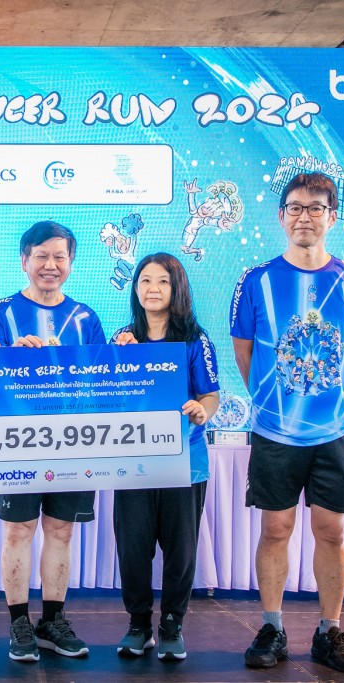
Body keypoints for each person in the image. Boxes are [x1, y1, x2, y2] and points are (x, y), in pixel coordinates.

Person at [231, 172, 344, 675]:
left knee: (331, 531)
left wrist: (322, 397)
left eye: (316, 208)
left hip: (339, 429)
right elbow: (245, 353)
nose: (304, 217)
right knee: (276, 528)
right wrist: (277, 402)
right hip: (275, 431)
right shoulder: (255, 280)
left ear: (332, 217)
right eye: (295, 207)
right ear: (281, 216)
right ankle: (272, 628)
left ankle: (328, 631)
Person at [0, 221, 105, 662]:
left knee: (60, 530)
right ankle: (18, 622)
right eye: (41, 256)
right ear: (24, 261)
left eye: (59, 257)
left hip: (73, 443)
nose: (50, 265)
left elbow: (102, 380)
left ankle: (52, 620)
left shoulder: (87, 318)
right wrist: (10, 355)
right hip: (17, 441)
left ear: (71, 263)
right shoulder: (2, 312)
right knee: (18, 530)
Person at [112, 253, 219, 662]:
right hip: (132, 462)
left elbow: (210, 395)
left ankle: (172, 624)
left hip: (184, 462)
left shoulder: (194, 340)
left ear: (177, 289)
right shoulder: (123, 338)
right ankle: (139, 624)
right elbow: (107, 394)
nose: (152, 288)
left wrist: (201, 410)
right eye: (144, 281)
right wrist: (118, 358)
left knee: (181, 551)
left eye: (162, 281)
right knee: (133, 548)